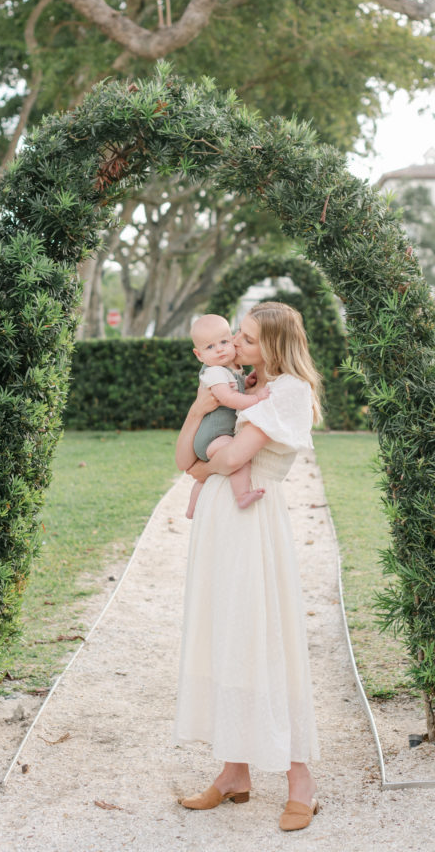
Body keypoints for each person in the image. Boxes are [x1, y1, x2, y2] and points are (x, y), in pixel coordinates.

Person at [173, 301, 323, 832]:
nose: (237, 345)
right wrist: (197, 410)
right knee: (226, 635)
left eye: (250, 339)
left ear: (278, 346)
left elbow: (233, 460)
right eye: (238, 334)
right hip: (219, 523)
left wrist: (203, 464)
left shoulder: (287, 391)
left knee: (266, 639)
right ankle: (234, 771)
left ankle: (299, 778)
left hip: (254, 521)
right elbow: (182, 459)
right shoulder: (233, 383)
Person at [186, 314, 270, 519]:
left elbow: (235, 386)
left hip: (216, 434)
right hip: (212, 436)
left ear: (231, 338)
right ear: (199, 355)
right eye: (210, 347)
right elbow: (229, 398)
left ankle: (191, 510)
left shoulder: (230, 368)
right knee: (240, 458)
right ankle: (241, 495)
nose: (220, 349)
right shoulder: (213, 372)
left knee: (206, 479)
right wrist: (256, 398)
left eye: (224, 342)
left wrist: (246, 384)